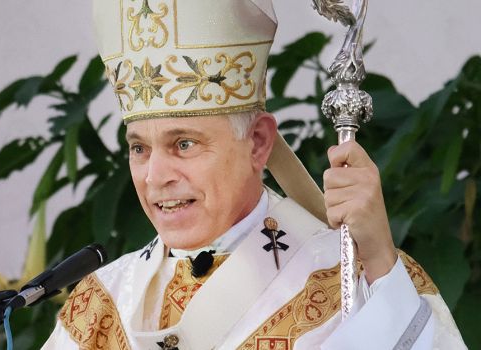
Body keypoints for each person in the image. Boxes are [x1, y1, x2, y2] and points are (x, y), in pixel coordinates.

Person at [43, 1, 466, 349]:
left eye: (184, 144)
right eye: (139, 148)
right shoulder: (100, 306)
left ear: (259, 143)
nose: (155, 177)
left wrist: (377, 259)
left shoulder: (356, 278)